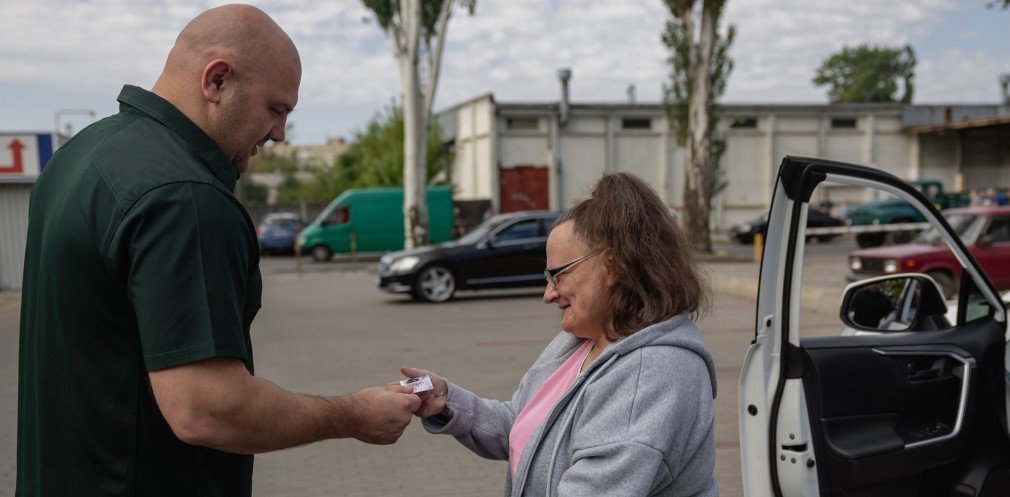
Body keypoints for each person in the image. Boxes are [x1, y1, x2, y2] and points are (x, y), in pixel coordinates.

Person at [17, 5, 420, 496]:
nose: (279, 134)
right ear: (218, 81)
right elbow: (206, 408)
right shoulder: (185, 196)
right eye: (276, 109)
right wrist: (355, 415)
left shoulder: (79, 157)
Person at [402, 172, 718, 496]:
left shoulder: (650, 376)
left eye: (557, 275)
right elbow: (526, 425)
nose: (548, 294)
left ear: (614, 266)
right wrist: (448, 402)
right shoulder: (583, 339)